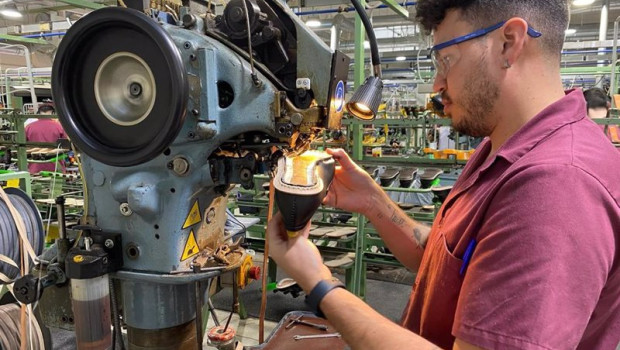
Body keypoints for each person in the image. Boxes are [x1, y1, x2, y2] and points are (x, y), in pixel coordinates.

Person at [267, 1, 620, 349]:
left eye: (445, 59)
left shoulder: (556, 185)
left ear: (509, 43)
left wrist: (319, 283)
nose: (436, 84)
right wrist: (373, 201)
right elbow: (442, 262)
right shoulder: (500, 148)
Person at [25, 104, 66, 174]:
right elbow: (66, 146)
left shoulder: (28, 127)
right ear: (53, 113)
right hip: (56, 169)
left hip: (35, 169)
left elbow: (23, 147)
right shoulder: (59, 127)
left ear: (38, 113)